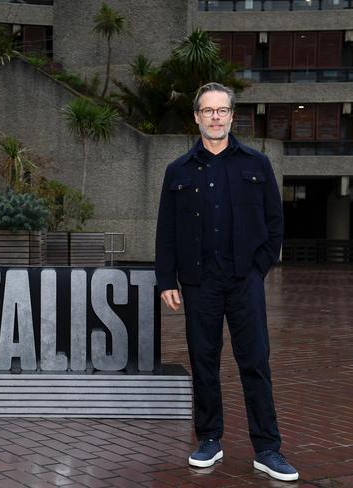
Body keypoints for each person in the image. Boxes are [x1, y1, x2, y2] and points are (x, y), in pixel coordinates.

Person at [154, 82, 298, 482]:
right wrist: (167, 278)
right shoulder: (177, 171)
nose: (215, 117)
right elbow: (166, 229)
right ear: (197, 117)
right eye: (207, 110)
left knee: (255, 362)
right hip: (199, 283)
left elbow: (275, 224)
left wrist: (259, 268)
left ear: (233, 116)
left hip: (243, 282)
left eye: (222, 110)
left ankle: (267, 448)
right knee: (204, 363)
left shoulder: (256, 164)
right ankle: (209, 440)